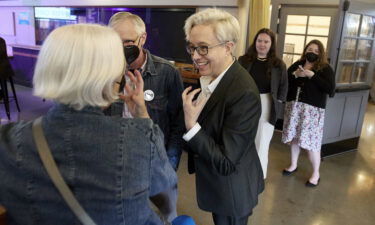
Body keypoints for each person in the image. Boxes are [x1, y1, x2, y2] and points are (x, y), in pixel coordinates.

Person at [0, 24, 177, 225]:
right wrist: (142, 115)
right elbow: (167, 196)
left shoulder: (8, 142)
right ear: (111, 77)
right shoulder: (140, 138)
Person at [182, 8, 264, 225]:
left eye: (203, 48)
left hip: (232, 190)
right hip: (217, 184)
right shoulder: (212, 77)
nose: (195, 56)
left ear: (228, 47)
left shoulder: (243, 92)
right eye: (192, 47)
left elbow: (227, 162)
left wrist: (191, 125)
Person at [108, 12, 185, 170]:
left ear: (142, 39)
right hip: (113, 159)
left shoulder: (167, 72)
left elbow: (178, 124)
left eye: (128, 42)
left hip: (151, 160)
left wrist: (170, 163)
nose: (121, 48)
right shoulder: (104, 71)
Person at [282, 39, 335, 187]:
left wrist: (312, 75)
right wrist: (295, 76)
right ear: (305, 50)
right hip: (294, 109)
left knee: (312, 145)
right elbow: (286, 81)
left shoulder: (325, 69)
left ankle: (316, 173)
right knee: (294, 139)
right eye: (310, 49)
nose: (312, 53)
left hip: (312, 112)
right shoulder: (297, 64)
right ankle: (293, 165)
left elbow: (330, 90)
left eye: (316, 51)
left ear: (321, 54)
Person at [238, 28, 288, 179]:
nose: (262, 44)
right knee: (243, 138)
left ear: (271, 44)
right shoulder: (244, 60)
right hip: (246, 102)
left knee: (262, 141)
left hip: (267, 103)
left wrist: (278, 103)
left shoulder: (279, 64)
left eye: (266, 41)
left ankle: (258, 177)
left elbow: (283, 87)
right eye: (259, 40)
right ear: (255, 42)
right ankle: (241, 173)